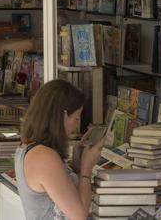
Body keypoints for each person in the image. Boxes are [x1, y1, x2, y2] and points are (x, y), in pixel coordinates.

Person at [15, 79, 104, 220]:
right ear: (62, 116)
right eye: (76, 118)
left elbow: (58, 188)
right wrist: (86, 169)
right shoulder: (44, 157)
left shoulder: (30, 148)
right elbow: (79, 215)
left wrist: (76, 166)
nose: (76, 126)